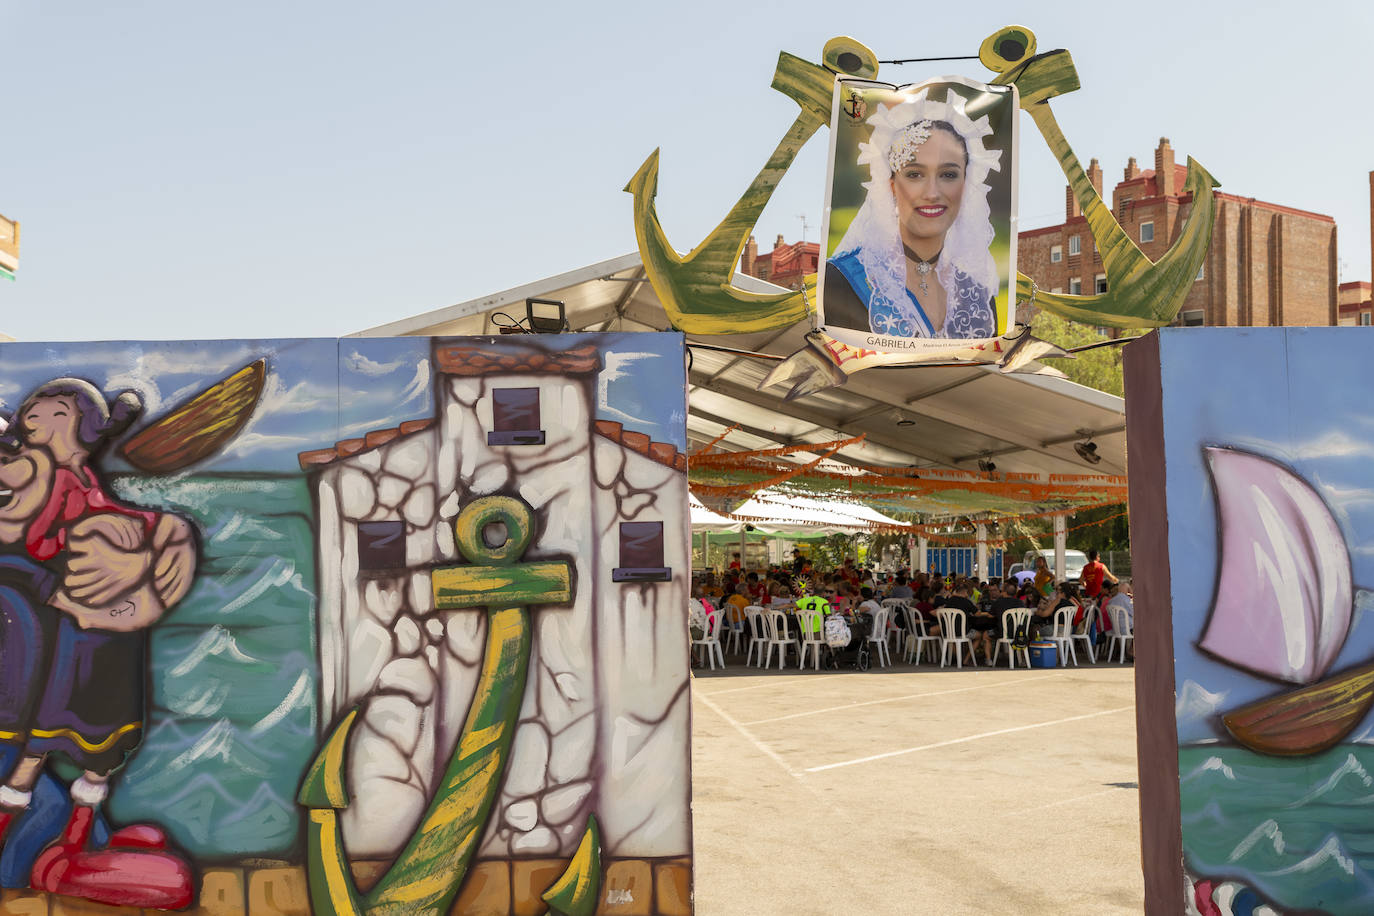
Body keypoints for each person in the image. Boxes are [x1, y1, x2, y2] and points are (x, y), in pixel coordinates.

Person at [823, 87, 1003, 340]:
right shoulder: (840, 280)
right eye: (914, 174)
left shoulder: (978, 296)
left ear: (967, 185)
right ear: (891, 185)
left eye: (948, 175)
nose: (932, 192)